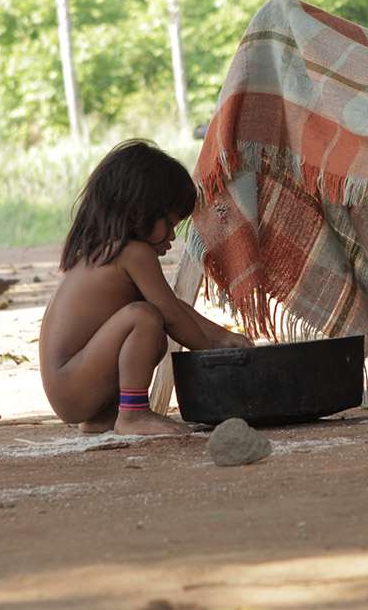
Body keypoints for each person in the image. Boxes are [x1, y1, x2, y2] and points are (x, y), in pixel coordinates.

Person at [39, 139, 252, 435]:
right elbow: (171, 316)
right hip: (71, 385)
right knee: (145, 319)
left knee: (151, 325)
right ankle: (134, 415)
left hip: (70, 387)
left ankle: (103, 418)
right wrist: (212, 358)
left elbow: (173, 306)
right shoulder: (133, 254)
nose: (173, 239)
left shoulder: (105, 251)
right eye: (172, 223)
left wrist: (222, 336)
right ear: (141, 213)